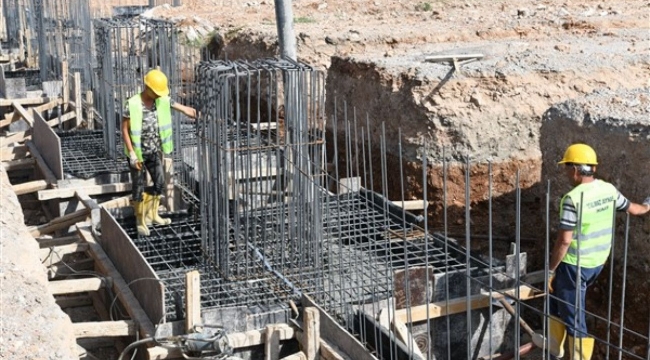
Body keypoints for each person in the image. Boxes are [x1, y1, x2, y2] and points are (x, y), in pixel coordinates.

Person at [548, 143, 650, 360]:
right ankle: (554, 349)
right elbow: (634, 209)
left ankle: (578, 357)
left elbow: (565, 241)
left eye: (567, 167)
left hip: (575, 265)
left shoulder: (572, 199)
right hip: (596, 264)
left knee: (575, 319)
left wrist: (550, 269)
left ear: (575, 169)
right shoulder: (608, 190)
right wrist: (648, 205)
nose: (566, 172)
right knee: (556, 298)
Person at [122, 69, 197, 236]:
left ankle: (153, 214)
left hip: (153, 151)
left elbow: (180, 107)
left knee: (160, 183)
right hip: (137, 154)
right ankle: (141, 220)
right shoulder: (132, 104)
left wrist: (192, 112)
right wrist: (133, 155)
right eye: (155, 92)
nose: (158, 95)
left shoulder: (161, 100)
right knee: (138, 187)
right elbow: (125, 130)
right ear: (147, 87)